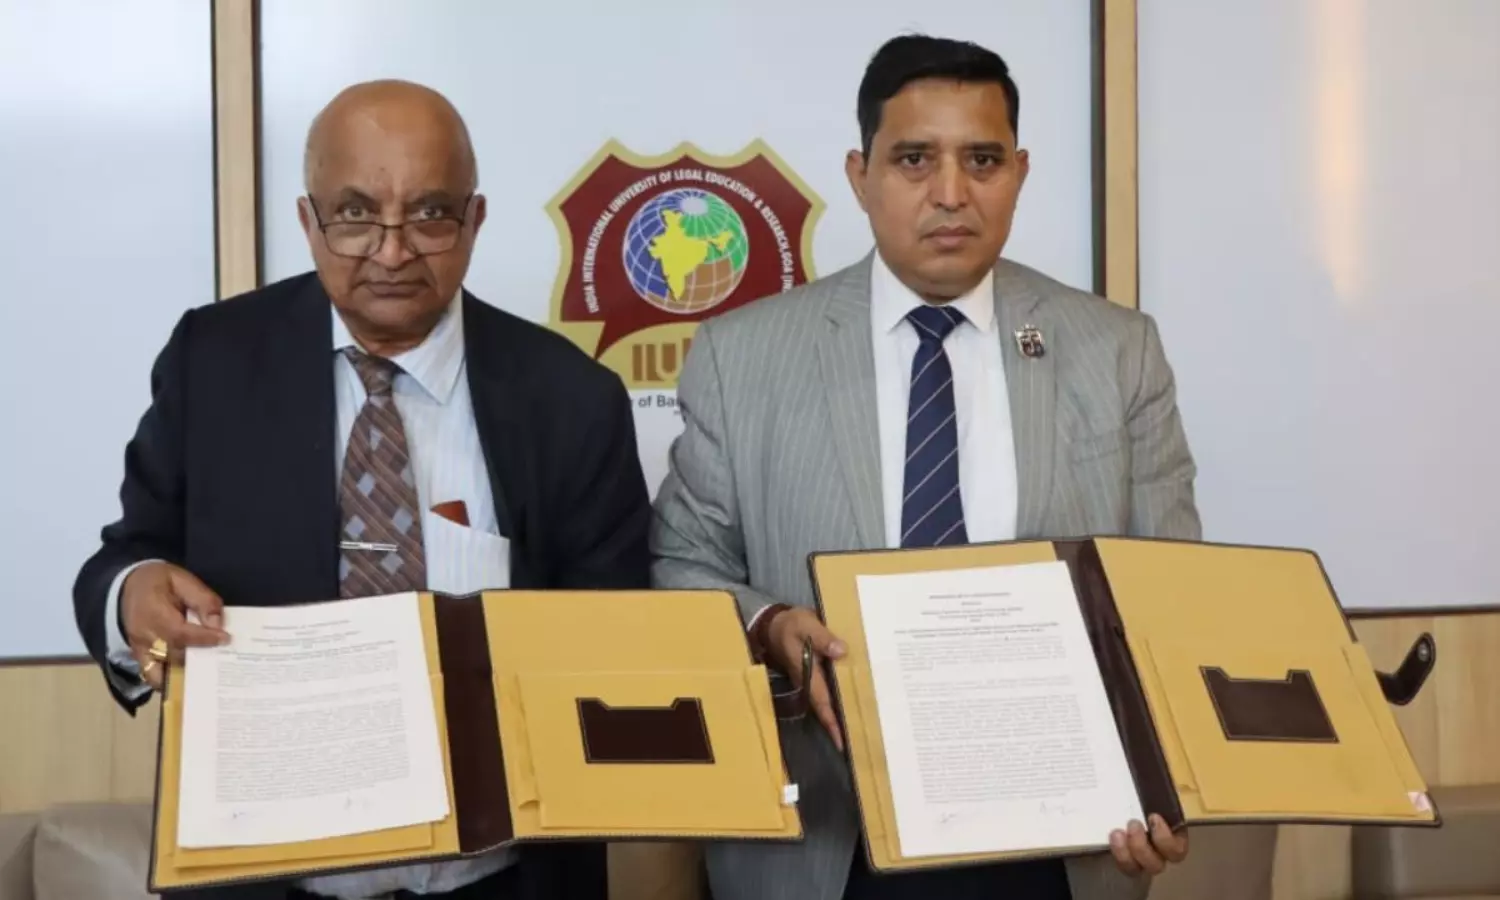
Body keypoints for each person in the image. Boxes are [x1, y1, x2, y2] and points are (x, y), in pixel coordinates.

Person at [651, 34, 1196, 900]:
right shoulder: (741, 355)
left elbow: (1169, 595)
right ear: (859, 174)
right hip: (830, 838)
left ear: (1019, 172)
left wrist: (1165, 785)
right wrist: (769, 625)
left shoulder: (1117, 351)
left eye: (982, 160)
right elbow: (680, 563)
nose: (951, 193)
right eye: (914, 160)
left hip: (1059, 836)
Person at [72, 79, 648, 900]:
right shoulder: (214, 361)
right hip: (265, 875)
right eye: (354, 214)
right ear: (308, 222)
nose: (392, 251)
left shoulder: (572, 398)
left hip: (503, 879)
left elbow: (617, 645)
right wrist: (132, 596)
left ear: (475, 220)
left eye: (430, 214)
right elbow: (125, 558)